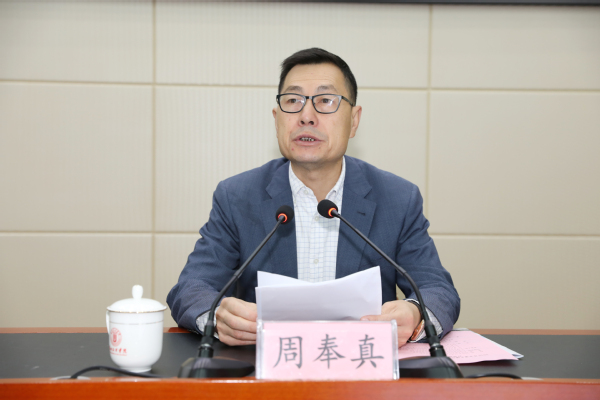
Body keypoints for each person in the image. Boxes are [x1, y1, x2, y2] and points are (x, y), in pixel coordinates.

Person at [167, 48, 459, 347]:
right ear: (277, 119)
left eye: (325, 101)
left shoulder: (397, 198)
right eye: (293, 101)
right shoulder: (238, 197)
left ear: (354, 120)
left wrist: (414, 313)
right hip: (268, 366)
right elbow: (192, 288)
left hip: (362, 365)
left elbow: (438, 290)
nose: (306, 116)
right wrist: (218, 318)